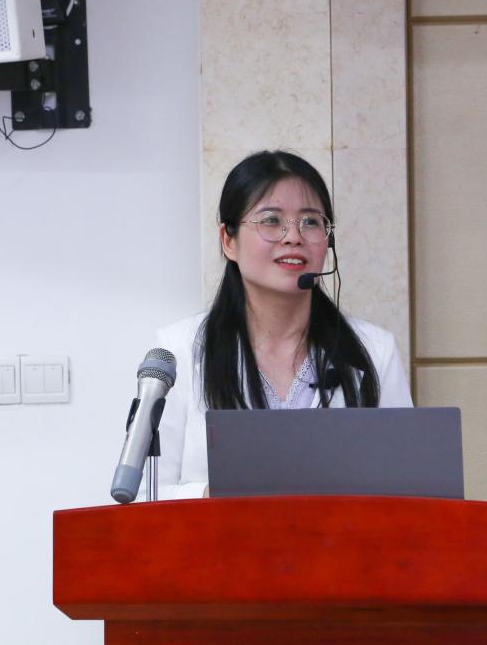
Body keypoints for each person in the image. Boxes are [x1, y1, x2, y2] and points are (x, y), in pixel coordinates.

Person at [153, 150, 412, 499]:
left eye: (310, 222)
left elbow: (408, 488)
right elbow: (145, 493)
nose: (293, 236)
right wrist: (210, 495)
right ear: (228, 240)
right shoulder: (179, 350)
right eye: (271, 220)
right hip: (218, 534)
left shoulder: (375, 350)